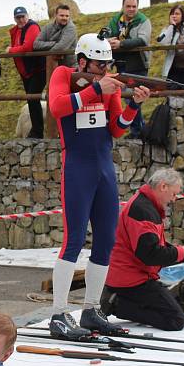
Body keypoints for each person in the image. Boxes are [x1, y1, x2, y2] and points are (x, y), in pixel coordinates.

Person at [46, 33, 150, 336]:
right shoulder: (64, 74)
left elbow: (117, 129)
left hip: (104, 168)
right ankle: (58, 314)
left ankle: (91, 308)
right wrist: (93, 90)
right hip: (77, 168)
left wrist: (133, 106)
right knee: (74, 240)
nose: (105, 70)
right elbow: (57, 107)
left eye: (108, 65)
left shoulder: (108, 86)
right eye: (98, 65)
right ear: (82, 61)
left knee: (106, 240)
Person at [98, 169, 184, 332]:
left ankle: (119, 300)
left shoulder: (146, 205)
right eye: (174, 194)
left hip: (131, 275)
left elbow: (152, 248)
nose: (174, 199)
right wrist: (181, 252)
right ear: (163, 186)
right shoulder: (142, 210)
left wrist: (181, 255)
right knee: (175, 320)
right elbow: (150, 254)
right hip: (131, 279)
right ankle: (117, 304)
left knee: (170, 308)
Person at [107, 0, 151, 137]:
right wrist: (110, 40)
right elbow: (108, 33)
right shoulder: (116, 20)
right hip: (120, 64)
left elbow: (142, 40)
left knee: (135, 97)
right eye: (128, 6)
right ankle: (136, 130)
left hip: (137, 64)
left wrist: (121, 43)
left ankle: (137, 131)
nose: (131, 9)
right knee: (126, 97)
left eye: (134, 6)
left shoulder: (143, 21)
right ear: (123, 6)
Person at [7, 6, 45, 139]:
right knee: (31, 99)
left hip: (37, 69)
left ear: (27, 16)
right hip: (26, 71)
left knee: (33, 98)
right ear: (14, 19)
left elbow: (28, 47)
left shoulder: (32, 27)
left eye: (23, 16)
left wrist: (11, 50)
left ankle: (37, 131)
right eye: (18, 17)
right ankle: (36, 130)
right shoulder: (16, 30)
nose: (21, 20)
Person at [158, 4, 184, 86]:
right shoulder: (168, 29)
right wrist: (171, 27)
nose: (174, 16)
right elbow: (162, 42)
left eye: (177, 14)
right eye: (172, 14)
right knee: (173, 95)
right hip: (174, 69)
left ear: (183, 15)